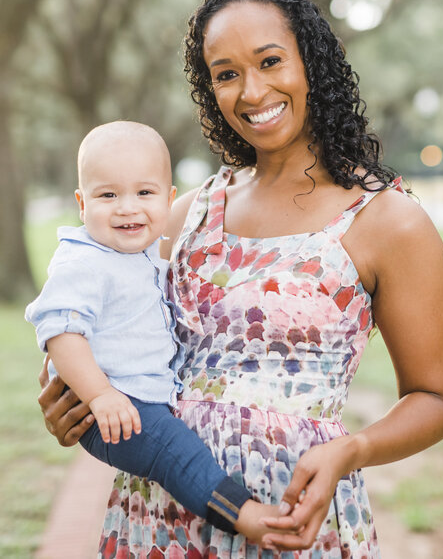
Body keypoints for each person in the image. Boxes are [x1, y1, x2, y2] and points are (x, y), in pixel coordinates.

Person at [38, 0, 443, 557]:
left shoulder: (387, 221)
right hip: (160, 511)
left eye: (269, 61)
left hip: (291, 515)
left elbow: (435, 399)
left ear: (311, 63)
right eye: (227, 74)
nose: (252, 91)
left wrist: (351, 450)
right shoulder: (188, 213)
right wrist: (74, 402)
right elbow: (104, 317)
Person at [25, 121, 284, 540]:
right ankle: (242, 516)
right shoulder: (83, 261)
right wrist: (100, 394)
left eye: (144, 193)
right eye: (108, 195)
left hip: (136, 398)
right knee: (172, 452)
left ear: (169, 199)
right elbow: (60, 333)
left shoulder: (140, 252)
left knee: (171, 446)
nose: (127, 208)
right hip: (113, 405)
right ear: (81, 202)